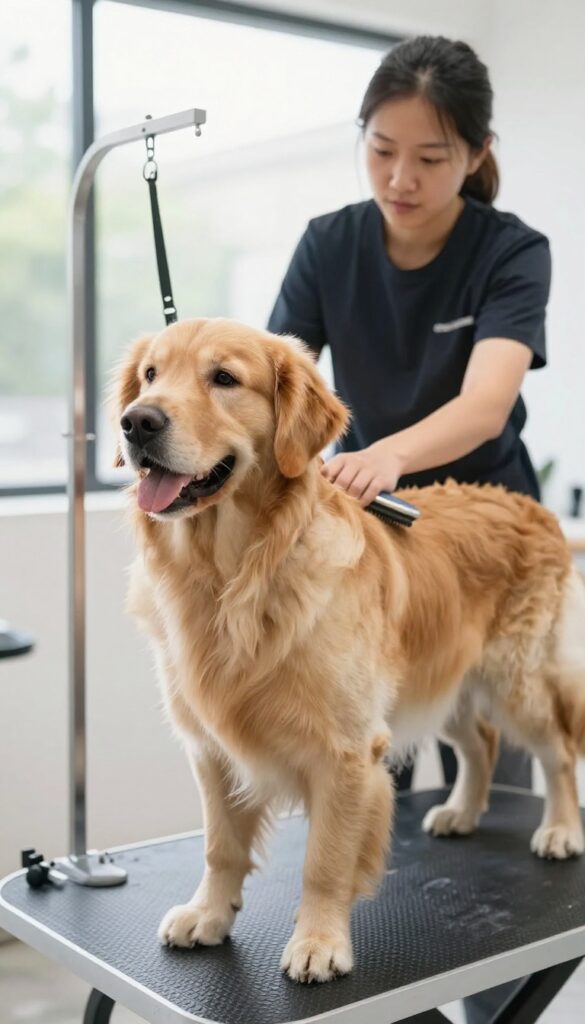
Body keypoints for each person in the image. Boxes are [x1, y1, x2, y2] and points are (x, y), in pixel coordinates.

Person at [267, 35, 550, 1024]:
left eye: (431, 157)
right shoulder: (327, 242)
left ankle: (497, 1007)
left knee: (491, 819)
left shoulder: (511, 251)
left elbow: (483, 406)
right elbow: (279, 384)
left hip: (478, 549)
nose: (402, 176)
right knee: (369, 778)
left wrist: (385, 451)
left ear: (475, 154)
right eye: (382, 149)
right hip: (368, 547)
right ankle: (387, 988)